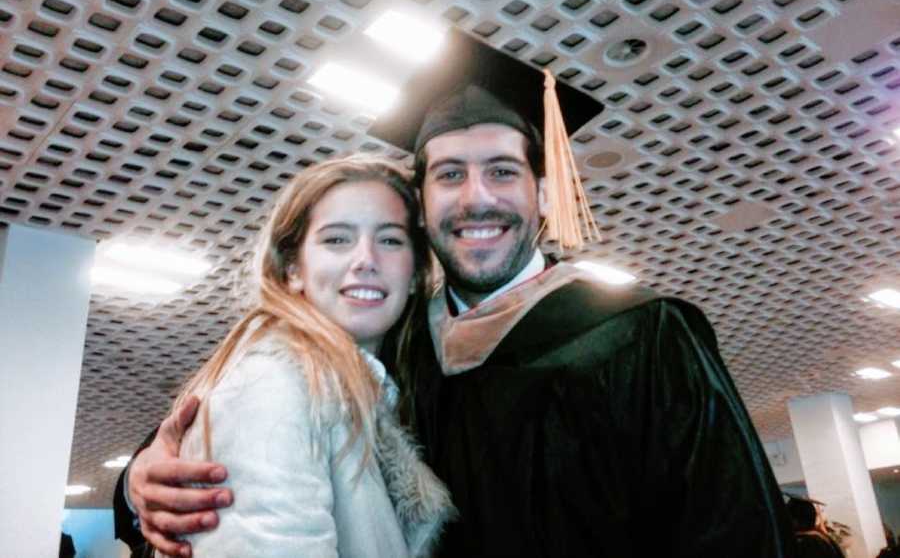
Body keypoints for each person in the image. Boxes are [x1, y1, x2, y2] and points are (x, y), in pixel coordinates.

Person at [115, 31, 794, 556]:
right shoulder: (397, 357)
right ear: (421, 201)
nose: (477, 198)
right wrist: (139, 477)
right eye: (449, 174)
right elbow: (213, 436)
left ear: (543, 190)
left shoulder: (644, 337)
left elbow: (739, 536)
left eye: (503, 170)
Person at [117, 156, 453, 557]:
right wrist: (134, 479)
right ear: (293, 268)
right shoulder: (274, 381)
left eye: (390, 240)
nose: (366, 259)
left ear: (415, 274)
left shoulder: (384, 384)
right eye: (337, 239)